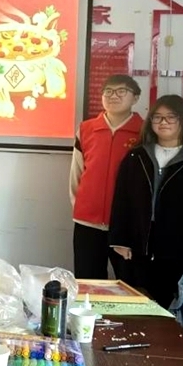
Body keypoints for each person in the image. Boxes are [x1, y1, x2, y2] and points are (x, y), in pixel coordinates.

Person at [108, 94, 183, 309]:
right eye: (157, 117)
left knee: (178, 306)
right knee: (139, 303)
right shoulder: (137, 156)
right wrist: (120, 239)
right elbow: (121, 200)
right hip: (140, 244)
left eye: (171, 117)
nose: (163, 122)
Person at [69, 74, 143, 280]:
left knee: (130, 283)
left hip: (128, 224)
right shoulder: (86, 129)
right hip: (87, 222)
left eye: (121, 91)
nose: (113, 96)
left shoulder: (144, 132)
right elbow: (77, 172)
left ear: (135, 98)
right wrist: (80, 205)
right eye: (108, 91)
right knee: (88, 281)